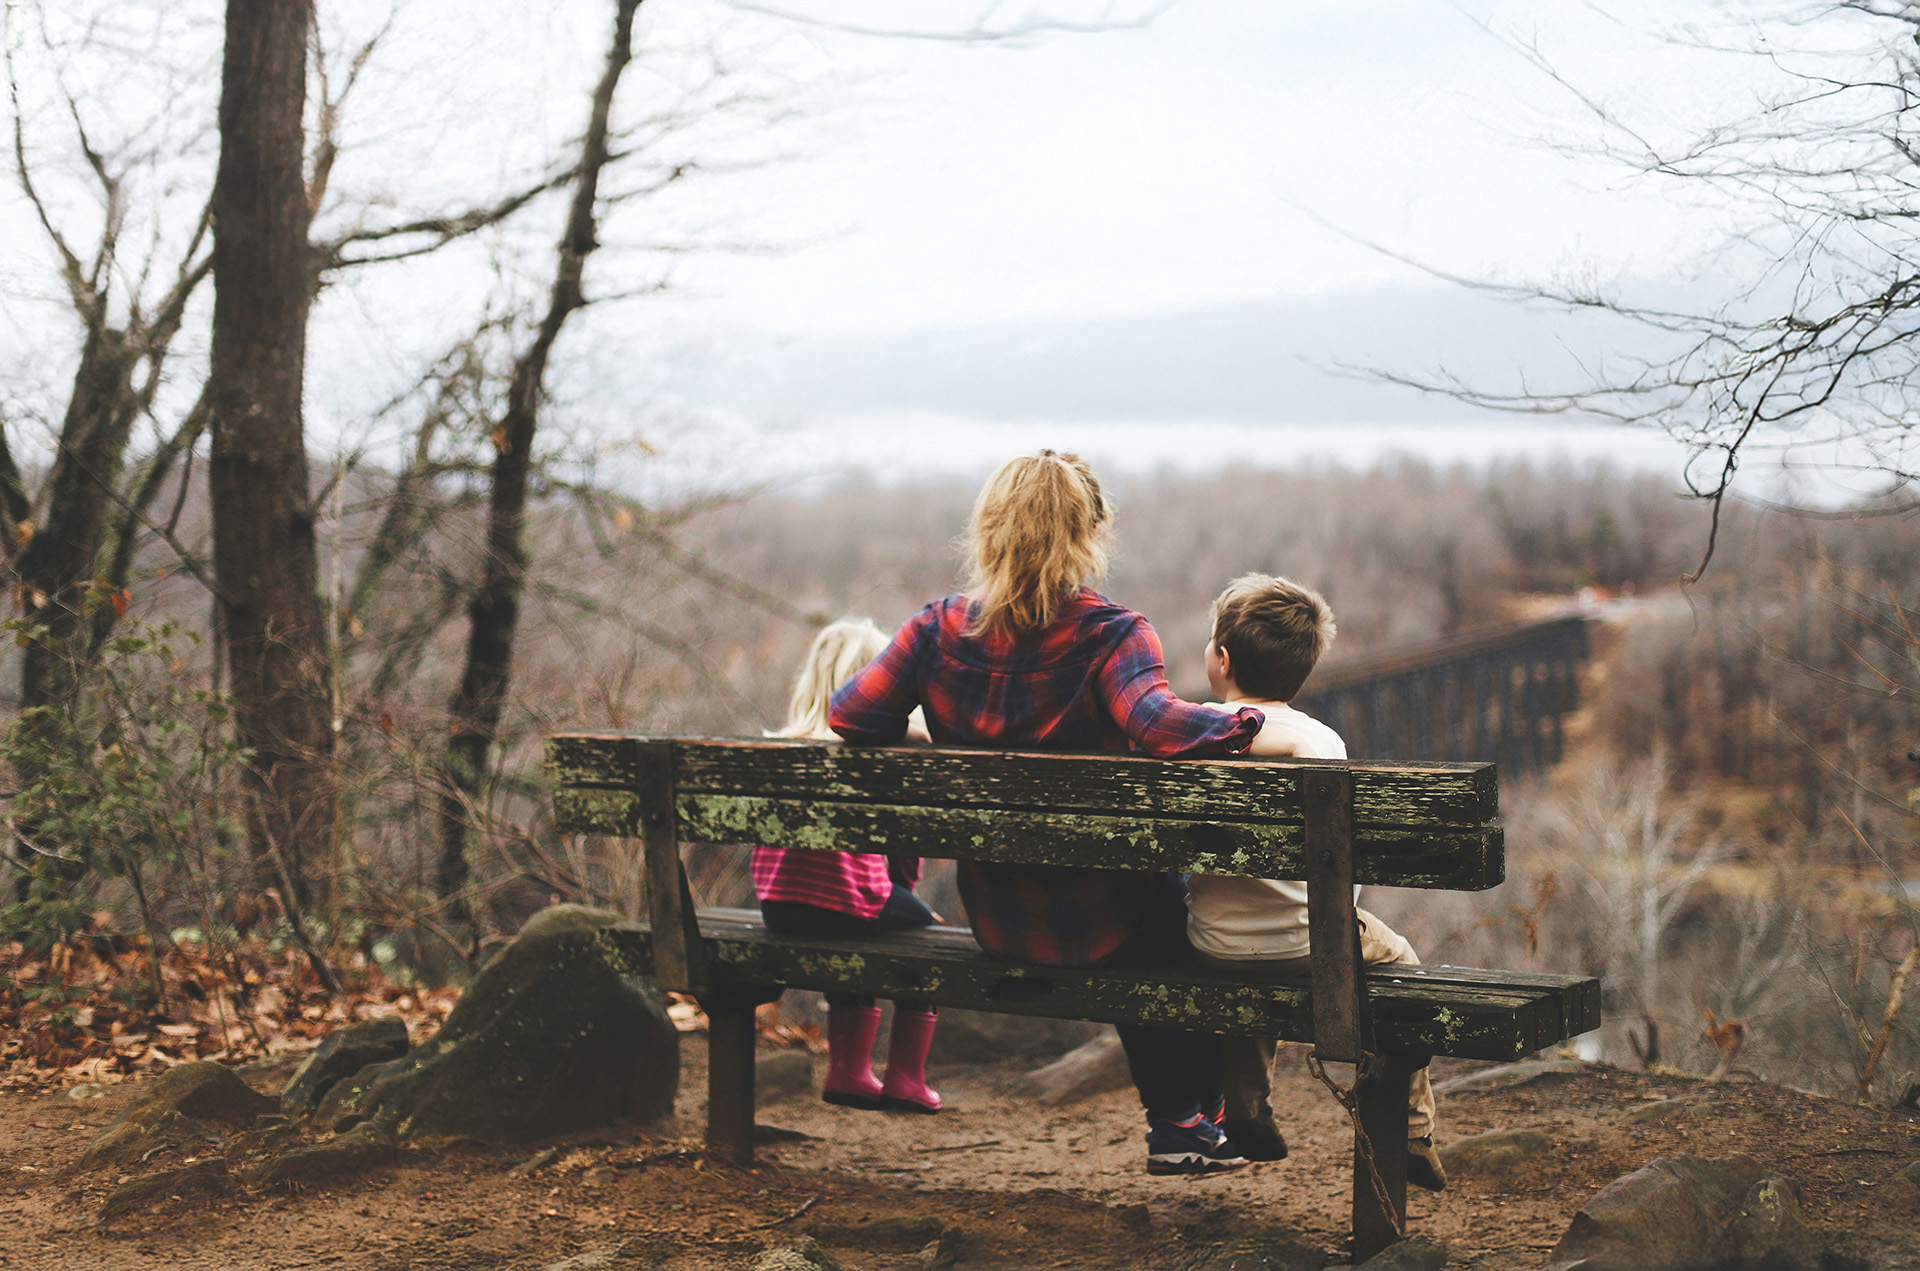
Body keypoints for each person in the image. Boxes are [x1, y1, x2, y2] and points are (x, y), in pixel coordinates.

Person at [828, 450, 1267, 1175]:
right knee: (1173, 907)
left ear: (989, 531)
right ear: (1091, 532)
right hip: (1108, 923)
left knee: (1152, 904)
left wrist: (923, 734)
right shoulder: (1113, 634)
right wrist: (1248, 721)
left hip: (1000, 918)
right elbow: (1158, 725)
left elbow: (850, 715)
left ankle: (1193, 1119)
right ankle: (1188, 1117)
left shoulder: (934, 630)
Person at [1184, 573, 1446, 1191]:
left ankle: (1246, 1110)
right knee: (1401, 961)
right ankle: (1413, 1129)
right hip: (1311, 945)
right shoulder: (1322, 742)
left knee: (1248, 958)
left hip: (1212, 944)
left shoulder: (1189, 732)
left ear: (1221, 659)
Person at [752, 618, 944, 1114]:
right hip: (846, 904)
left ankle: (849, 1071)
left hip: (778, 907)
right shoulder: (874, 753)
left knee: (859, 918)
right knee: (925, 933)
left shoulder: (781, 748)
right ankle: (904, 1078)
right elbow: (901, 854)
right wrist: (909, 897)